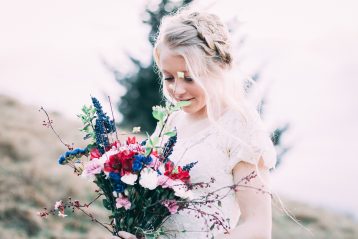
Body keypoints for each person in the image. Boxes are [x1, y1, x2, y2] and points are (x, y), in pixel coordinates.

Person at [118, 8, 277, 239]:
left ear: (218, 69)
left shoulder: (239, 125)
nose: (178, 90)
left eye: (190, 77)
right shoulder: (170, 121)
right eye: (169, 77)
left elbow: (258, 228)